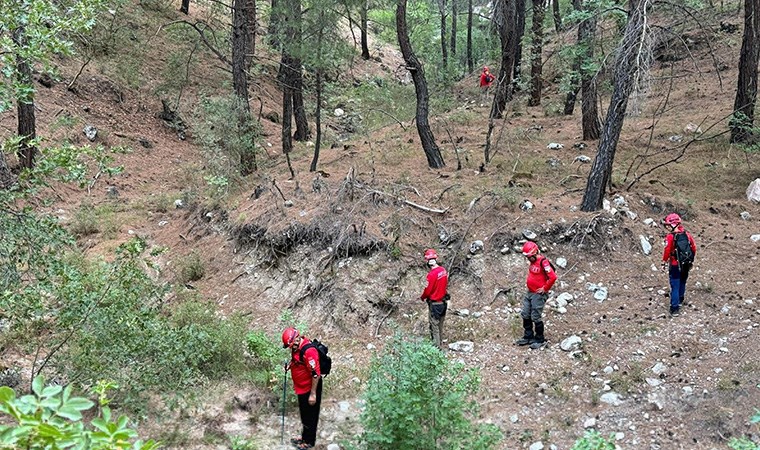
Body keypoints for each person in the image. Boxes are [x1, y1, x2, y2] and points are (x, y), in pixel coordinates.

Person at [282, 327, 322, 450]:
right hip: (301, 387)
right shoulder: (297, 347)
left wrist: (313, 394)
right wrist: (290, 366)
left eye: (291, 345)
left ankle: (309, 442)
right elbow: (298, 360)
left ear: (297, 339)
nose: (291, 348)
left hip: (310, 388)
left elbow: (316, 374)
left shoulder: (309, 351)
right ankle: (304, 437)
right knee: (304, 414)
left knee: (310, 415)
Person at [516, 241, 557, 349]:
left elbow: (553, 277)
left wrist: (545, 288)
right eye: (527, 257)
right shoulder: (533, 262)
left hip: (538, 295)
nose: (528, 259)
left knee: (535, 316)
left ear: (535, 253)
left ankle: (539, 338)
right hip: (530, 292)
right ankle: (528, 336)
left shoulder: (543, 262)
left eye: (530, 257)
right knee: (525, 313)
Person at [661, 213, 697, 316]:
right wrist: (691, 260)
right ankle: (680, 299)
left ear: (673, 224)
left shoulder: (670, 237)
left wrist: (664, 261)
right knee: (683, 281)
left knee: (675, 285)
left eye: (668, 225)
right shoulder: (687, 235)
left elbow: (667, 251)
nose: (667, 227)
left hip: (675, 264)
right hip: (686, 263)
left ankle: (675, 308)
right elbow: (693, 248)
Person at [419, 248, 449, 349]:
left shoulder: (431, 275)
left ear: (427, 261)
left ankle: (437, 349)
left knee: (434, 326)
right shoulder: (443, 271)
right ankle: (440, 344)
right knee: (440, 325)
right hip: (443, 303)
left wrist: (423, 297)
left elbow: (428, 290)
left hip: (435, 304)